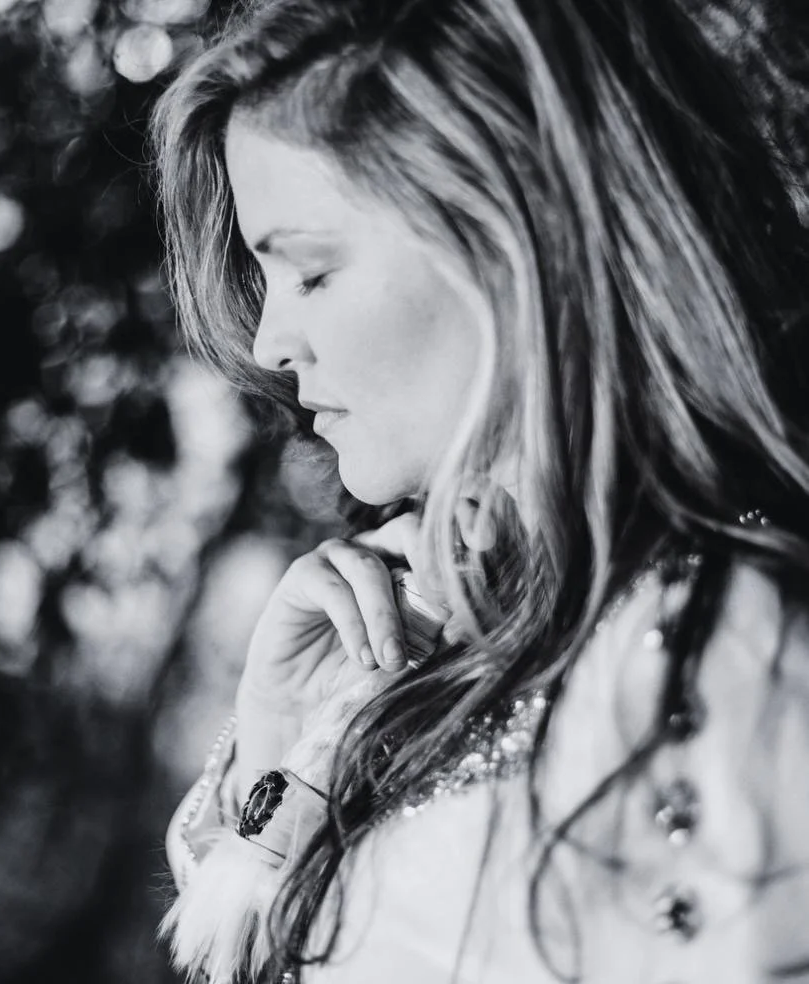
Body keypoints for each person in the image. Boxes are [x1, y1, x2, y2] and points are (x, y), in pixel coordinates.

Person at [150, 0, 809, 981]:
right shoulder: (414, 647)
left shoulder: (732, 658)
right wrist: (283, 755)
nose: (270, 344)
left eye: (311, 272)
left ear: (514, 245)